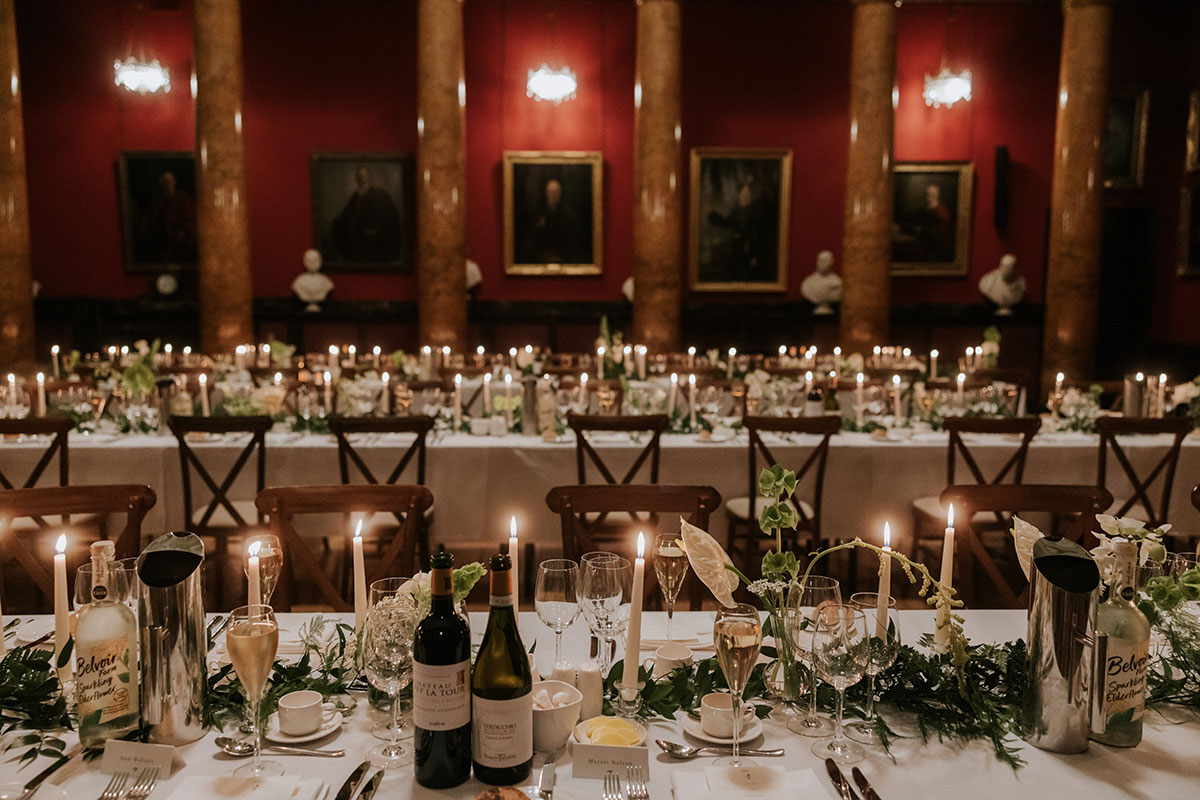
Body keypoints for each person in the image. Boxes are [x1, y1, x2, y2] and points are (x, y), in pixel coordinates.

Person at [706, 179, 776, 282]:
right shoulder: (737, 210)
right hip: (736, 247)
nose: (745, 195)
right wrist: (712, 214)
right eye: (743, 192)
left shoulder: (754, 212)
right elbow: (727, 223)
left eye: (747, 193)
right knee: (734, 272)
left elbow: (759, 235)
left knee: (747, 274)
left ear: (750, 195)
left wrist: (755, 255)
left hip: (749, 248)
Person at [332, 166, 402, 262]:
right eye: (358, 176)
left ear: (368, 176)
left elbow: (389, 217)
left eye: (363, 175)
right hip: (357, 242)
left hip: (373, 243)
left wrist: (375, 230)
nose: (361, 178)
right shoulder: (355, 196)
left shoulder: (379, 195)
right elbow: (346, 217)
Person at [519, 178, 588, 264]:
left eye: (556, 192)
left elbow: (574, 242)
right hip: (541, 258)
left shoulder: (570, 214)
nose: (553, 195)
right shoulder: (538, 213)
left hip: (564, 259)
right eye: (551, 192)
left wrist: (560, 256)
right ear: (546, 194)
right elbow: (531, 239)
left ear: (560, 194)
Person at [140, 170, 196, 264]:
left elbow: (192, 219)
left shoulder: (183, 198)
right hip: (161, 244)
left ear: (174, 182)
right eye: (164, 182)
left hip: (180, 244)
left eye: (169, 181)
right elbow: (148, 218)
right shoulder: (157, 201)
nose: (167, 184)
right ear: (161, 184)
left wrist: (184, 232)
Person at [905, 183, 955, 262]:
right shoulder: (922, 211)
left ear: (937, 195)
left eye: (931, 194)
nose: (928, 197)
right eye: (927, 195)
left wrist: (923, 230)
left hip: (936, 247)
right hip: (923, 244)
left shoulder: (942, 211)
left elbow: (942, 232)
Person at [800, 250, 843, 314]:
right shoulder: (808, 283)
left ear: (832, 263)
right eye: (821, 260)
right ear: (817, 262)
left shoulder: (838, 282)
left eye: (827, 261)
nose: (823, 263)